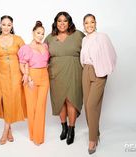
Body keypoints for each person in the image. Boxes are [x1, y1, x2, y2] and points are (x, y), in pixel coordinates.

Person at [44, 11, 85, 145]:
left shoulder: (78, 35)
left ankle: (72, 129)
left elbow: (90, 48)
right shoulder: (50, 37)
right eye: (59, 21)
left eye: (65, 21)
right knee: (60, 101)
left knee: (71, 100)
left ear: (69, 22)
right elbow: (41, 54)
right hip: (55, 73)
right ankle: (64, 127)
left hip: (74, 71)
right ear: (56, 23)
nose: (62, 23)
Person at [80, 14, 117, 154]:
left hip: (99, 72)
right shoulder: (84, 40)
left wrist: (105, 70)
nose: (89, 25)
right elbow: (83, 58)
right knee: (88, 105)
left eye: (92, 22)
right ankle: (95, 133)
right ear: (83, 25)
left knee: (91, 105)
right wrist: (86, 69)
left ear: (96, 23)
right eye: (86, 23)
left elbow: (112, 54)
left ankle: (92, 140)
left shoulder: (102, 37)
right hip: (86, 71)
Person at [0, 15, 26, 145]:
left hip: (16, 75)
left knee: (11, 100)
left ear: (12, 26)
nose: (6, 27)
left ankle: (5, 130)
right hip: (1, 75)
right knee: (4, 101)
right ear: (0, 25)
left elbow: (25, 56)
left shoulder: (18, 39)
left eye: (9, 24)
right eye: (3, 24)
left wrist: (26, 74)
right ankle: (9, 129)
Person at [18, 21, 50, 146]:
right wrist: (28, 77)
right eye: (38, 33)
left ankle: (38, 137)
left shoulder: (45, 46)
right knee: (32, 107)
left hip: (44, 77)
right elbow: (21, 64)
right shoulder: (26, 48)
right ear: (33, 32)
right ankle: (32, 134)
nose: (41, 36)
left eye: (42, 33)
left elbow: (47, 62)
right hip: (32, 76)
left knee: (41, 107)